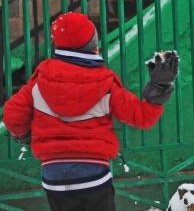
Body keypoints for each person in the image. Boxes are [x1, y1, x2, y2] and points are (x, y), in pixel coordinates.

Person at [3, 12, 179, 211]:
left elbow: (12, 115)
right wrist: (159, 88)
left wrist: (27, 136)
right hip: (93, 173)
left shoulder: (39, 80)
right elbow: (142, 117)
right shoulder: (104, 82)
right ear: (92, 44)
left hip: (54, 175)